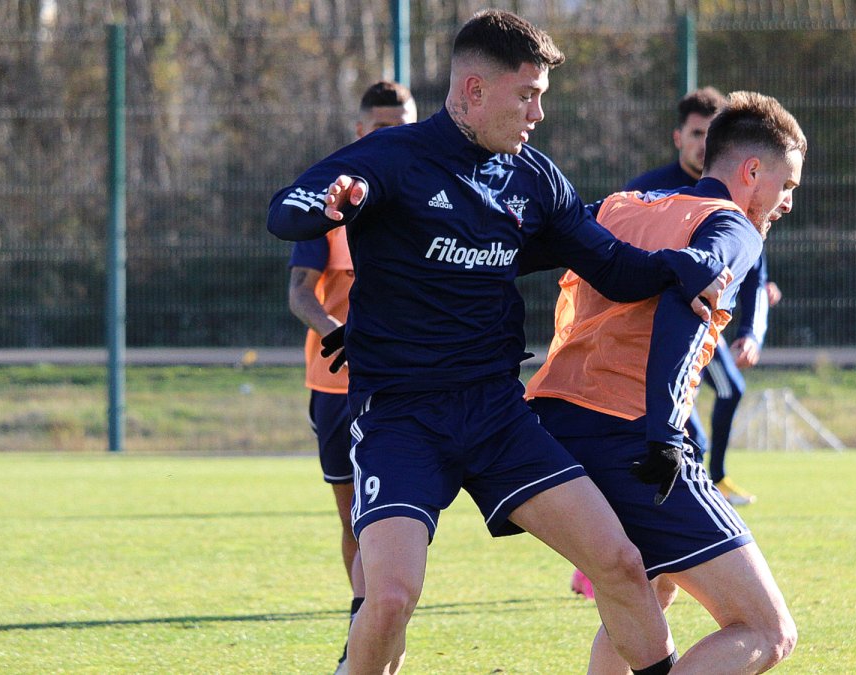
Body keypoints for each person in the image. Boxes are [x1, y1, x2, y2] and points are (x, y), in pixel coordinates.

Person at [268, 10, 732, 675]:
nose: (538, 112)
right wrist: (330, 203)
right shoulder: (392, 157)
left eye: (542, 95)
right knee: (390, 593)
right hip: (401, 417)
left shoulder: (533, 178)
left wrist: (681, 266)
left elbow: (615, 268)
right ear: (475, 91)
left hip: (496, 415)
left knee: (622, 562)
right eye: (528, 94)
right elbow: (284, 210)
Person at [527, 90, 805, 674]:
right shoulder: (732, 226)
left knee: (646, 592)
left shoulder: (624, 204)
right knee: (768, 629)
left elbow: (530, 247)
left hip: (551, 421)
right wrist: (665, 433)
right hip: (630, 432)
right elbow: (687, 308)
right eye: (787, 186)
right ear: (752, 170)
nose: (785, 203)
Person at [285, 80, 416, 674]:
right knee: (351, 519)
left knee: (387, 520)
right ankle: (367, 623)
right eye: (381, 126)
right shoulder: (327, 201)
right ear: (361, 130)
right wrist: (342, 333)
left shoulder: (429, 199)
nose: (392, 136)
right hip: (337, 384)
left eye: (403, 124)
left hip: (401, 389)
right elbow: (299, 294)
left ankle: (367, 638)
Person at [625, 87, 775, 507]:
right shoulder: (649, 190)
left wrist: (752, 331)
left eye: (711, 134)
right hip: (649, 330)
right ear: (678, 138)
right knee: (691, 437)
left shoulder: (740, 198)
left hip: (706, 325)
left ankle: (717, 481)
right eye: (695, 134)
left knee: (730, 392)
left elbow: (755, 272)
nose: (702, 144)